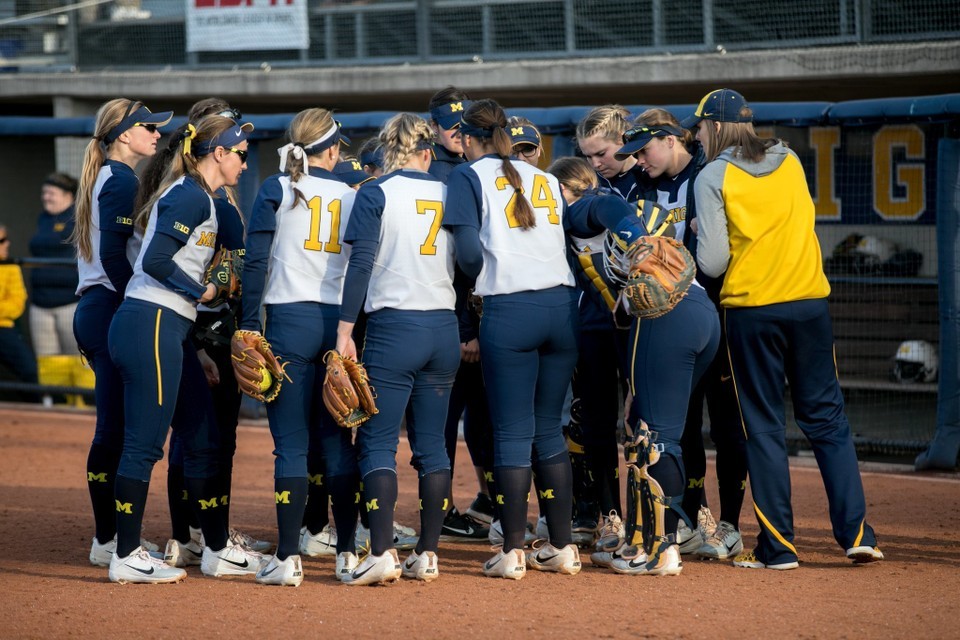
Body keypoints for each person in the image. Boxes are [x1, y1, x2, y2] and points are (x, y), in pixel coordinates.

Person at [690, 88, 884, 569]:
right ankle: (858, 534)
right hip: (809, 304)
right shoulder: (791, 159)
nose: (695, 135)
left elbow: (712, 263)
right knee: (828, 422)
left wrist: (699, 235)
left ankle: (779, 547)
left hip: (754, 309)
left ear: (715, 127)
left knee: (764, 427)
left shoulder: (712, 174)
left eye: (698, 126)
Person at [106, 114, 266, 584]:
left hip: (168, 327)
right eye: (239, 152)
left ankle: (215, 549)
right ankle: (126, 554)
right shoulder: (189, 194)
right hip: (150, 320)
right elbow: (155, 261)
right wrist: (201, 291)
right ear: (218, 153)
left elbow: (235, 254)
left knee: (203, 437)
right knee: (143, 444)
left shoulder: (208, 198)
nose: (243, 160)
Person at [549, 156, 719, 576]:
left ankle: (661, 549)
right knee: (650, 427)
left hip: (666, 318)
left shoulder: (584, 204)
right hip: (697, 312)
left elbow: (610, 209)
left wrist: (637, 239)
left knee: (654, 439)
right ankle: (648, 540)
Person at [443, 99, 581, 580]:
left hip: (510, 309)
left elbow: (466, 257)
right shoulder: (541, 176)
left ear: (468, 138)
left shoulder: (468, 176)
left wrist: (484, 278)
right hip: (561, 308)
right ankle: (562, 545)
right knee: (548, 430)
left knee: (511, 431)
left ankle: (514, 550)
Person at [617, 110, 749, 560]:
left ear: (673, 139)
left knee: (728, 421)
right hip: (665, 320)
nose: (638, 160)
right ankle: (690, 518)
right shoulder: (638, 185)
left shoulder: (708, 175)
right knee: (680, 424)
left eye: (644, 149)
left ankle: (730, 523)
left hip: (716, 312)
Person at [239, 109, 362, 587]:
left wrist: (249, 325)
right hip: (338, 323)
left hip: (289, 319)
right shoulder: (353, 194)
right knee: (337, 443)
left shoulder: (276, 187)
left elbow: (255, 263)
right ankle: (348, 553)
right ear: (331, 149)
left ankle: (288, 558)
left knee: (290, 446)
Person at [335, 112, 459, 585]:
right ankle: (427, 553)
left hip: (394, 326)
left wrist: (345, 330)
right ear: (428, 151)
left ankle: (382, 551)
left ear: (389, 151)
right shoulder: (449, 191)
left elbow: (361, 264)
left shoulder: (375, 191)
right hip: (443, 326)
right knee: (432, 446)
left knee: (377, 441)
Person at [70, 98, 171, 568]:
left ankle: (107, 538)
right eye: (147, 127)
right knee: (115, 430)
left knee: (113, 428)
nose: (156, 133)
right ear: (123, 135)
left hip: (100, 306)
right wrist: (138, 301)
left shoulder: (112, 175)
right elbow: (114, 256)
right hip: (110, 305)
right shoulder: (121, 178)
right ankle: (109, 540)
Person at [29, 172, 89, 407]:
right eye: (44, 193)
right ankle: (53, 406)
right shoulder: (43, 218)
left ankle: (83, 405)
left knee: (76, 357)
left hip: (69, 301)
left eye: (51, 193)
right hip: (41, 303)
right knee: (48, 361)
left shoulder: (78, 217)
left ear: (68, 196)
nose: (46, 197)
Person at [0, 224, 40, 399]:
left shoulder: (10, 266)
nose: (7, 244)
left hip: (3, 327)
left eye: (6, 239)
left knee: (29, 370)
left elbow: (17, 304)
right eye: (1, 241)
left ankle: (33, 414)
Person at [575, 105, 645, 201]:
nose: (596, 164)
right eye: (588, 156)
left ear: (622, 139)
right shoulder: (585, 185)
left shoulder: (651, 176)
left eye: (601, 154)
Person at [427, 86, 471, 183]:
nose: (460, 134)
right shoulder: (435, 170)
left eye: (465, 125)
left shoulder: (471, 159)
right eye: (453, 127)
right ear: (434, 126)